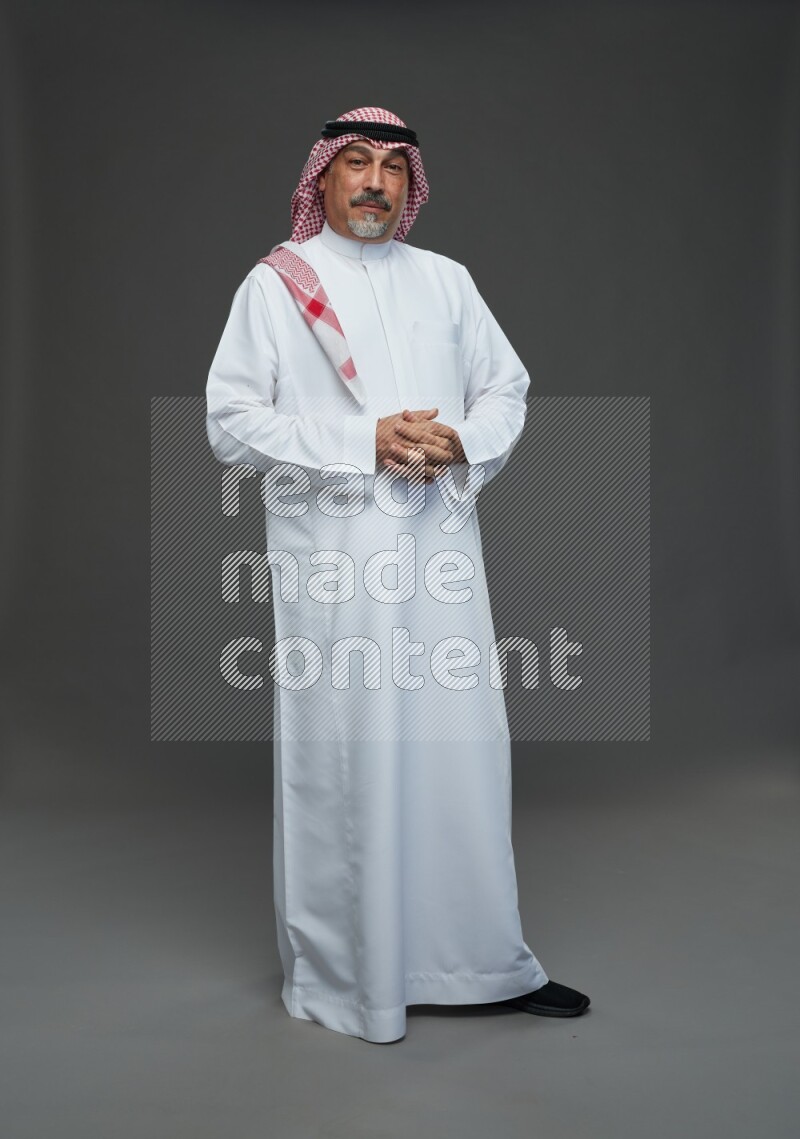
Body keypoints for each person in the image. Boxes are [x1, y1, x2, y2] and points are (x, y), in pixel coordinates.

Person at [205, 107, 590, 1042]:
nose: (374, 181)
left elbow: (508, 387)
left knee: (462, 752)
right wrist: (362, 440)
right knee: (352, 760)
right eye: (356, 164)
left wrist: (458, 441)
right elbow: (228, 422)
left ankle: (484, 963)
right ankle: (354, 977)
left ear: (410, 185)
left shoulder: (447, 282)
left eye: (391, 167)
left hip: (440, 557)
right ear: (324, 180)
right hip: (335, 567)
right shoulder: (278, 286)